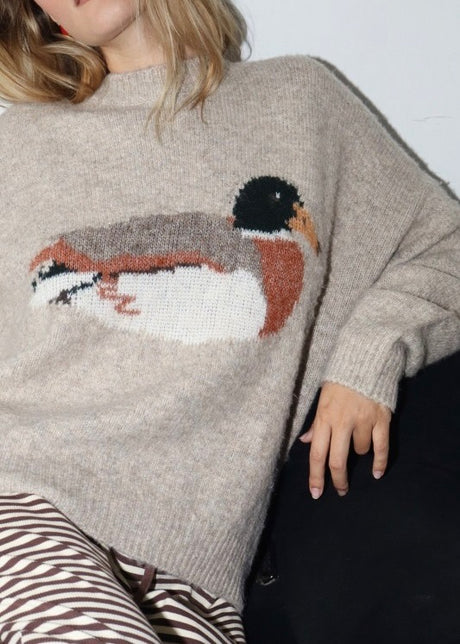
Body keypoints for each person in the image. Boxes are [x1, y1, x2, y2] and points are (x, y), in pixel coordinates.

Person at [0, 1, 458, 642]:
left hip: (199, 576)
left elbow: (445, 244)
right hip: (25, 506)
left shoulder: (299, 102)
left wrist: (371, 357)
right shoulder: (18, 146)